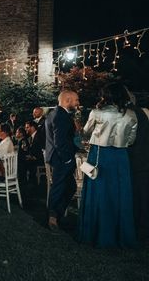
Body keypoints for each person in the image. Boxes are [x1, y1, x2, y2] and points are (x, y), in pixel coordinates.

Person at [78, 83, 137, 248]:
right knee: (119, 193)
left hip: (99, 155)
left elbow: (85, 132)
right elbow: (131, 140)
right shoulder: (131, 114)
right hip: (120, 157)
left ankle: (95, 233)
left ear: (106, 96)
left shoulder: (97, 112)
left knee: (99, 192)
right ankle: (120, 235)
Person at [45, 90, 80, 231]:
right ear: (67, 100)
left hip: (58, 157)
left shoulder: (55, 113)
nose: (78, 103)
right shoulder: (60, 115)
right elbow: (59, 141)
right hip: (61, 158)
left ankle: (56, 215)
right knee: (58, 187)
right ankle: (52, 218)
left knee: (70, 187)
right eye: (76, 100)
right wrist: (67, 159)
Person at [127, 92, 149, 240]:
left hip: (135, 156)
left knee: (138, 190)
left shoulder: (128, 114)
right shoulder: (144, 112)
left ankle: (138, 222)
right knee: (143, 190)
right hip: (144, 156)